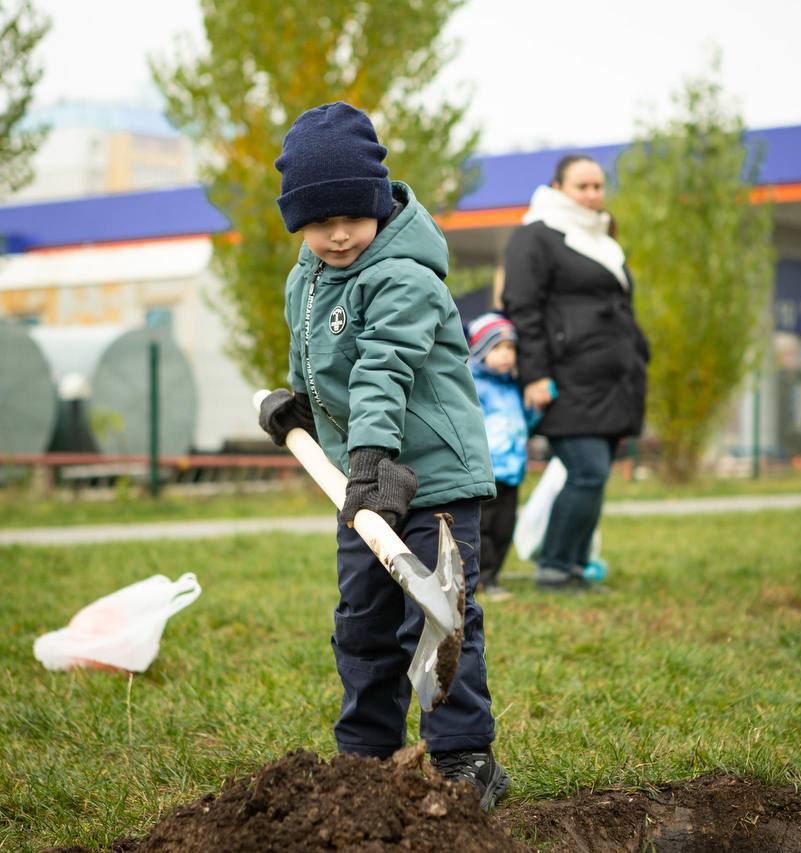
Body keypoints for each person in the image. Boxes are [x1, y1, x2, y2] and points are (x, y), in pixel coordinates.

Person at [256, 102, 509, 809]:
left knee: (435, 618)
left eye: (352, 215)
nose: (337, 233)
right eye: (318, 219)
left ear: (378, 201)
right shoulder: (304, 276)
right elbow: (320, 360)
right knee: (362, 623)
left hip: (430, 480)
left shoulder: (405, 275)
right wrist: (296, 405)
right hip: (363, 485)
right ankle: (364, 761)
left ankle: (464, 757)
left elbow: (382, 369)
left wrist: (370, 460)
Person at [502, 154, 649, 590]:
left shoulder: (604, 239)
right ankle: (555, 567)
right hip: (566, 379)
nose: (592, 195)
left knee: (594, 474)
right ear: (558, 187)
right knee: (586, 470)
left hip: (610, 381)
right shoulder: (536, 236)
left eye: (598, 186)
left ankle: (574, 566)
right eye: (582, 186)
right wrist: (534, 374)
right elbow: (522, 308)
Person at [466, 312, 535, 599]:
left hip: (512, 470)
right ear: (480, 350)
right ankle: (482, 578)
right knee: (484, 527)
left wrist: (537, 410)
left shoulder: (512, 387)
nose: (506, 355)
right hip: (486, 470)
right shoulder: (472, 383)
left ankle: (492, 575)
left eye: (510, 348)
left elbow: (523, 424)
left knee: (505, 527)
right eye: (497, 348)